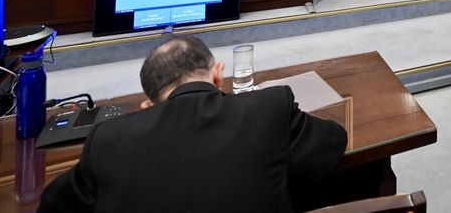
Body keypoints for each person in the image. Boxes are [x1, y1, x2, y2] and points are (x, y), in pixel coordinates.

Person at [37, 35, 348, 212]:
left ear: (148, 103)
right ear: (218, 75)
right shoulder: (269, 107)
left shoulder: (108, 139)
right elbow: (333, 141)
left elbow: (53, 205)